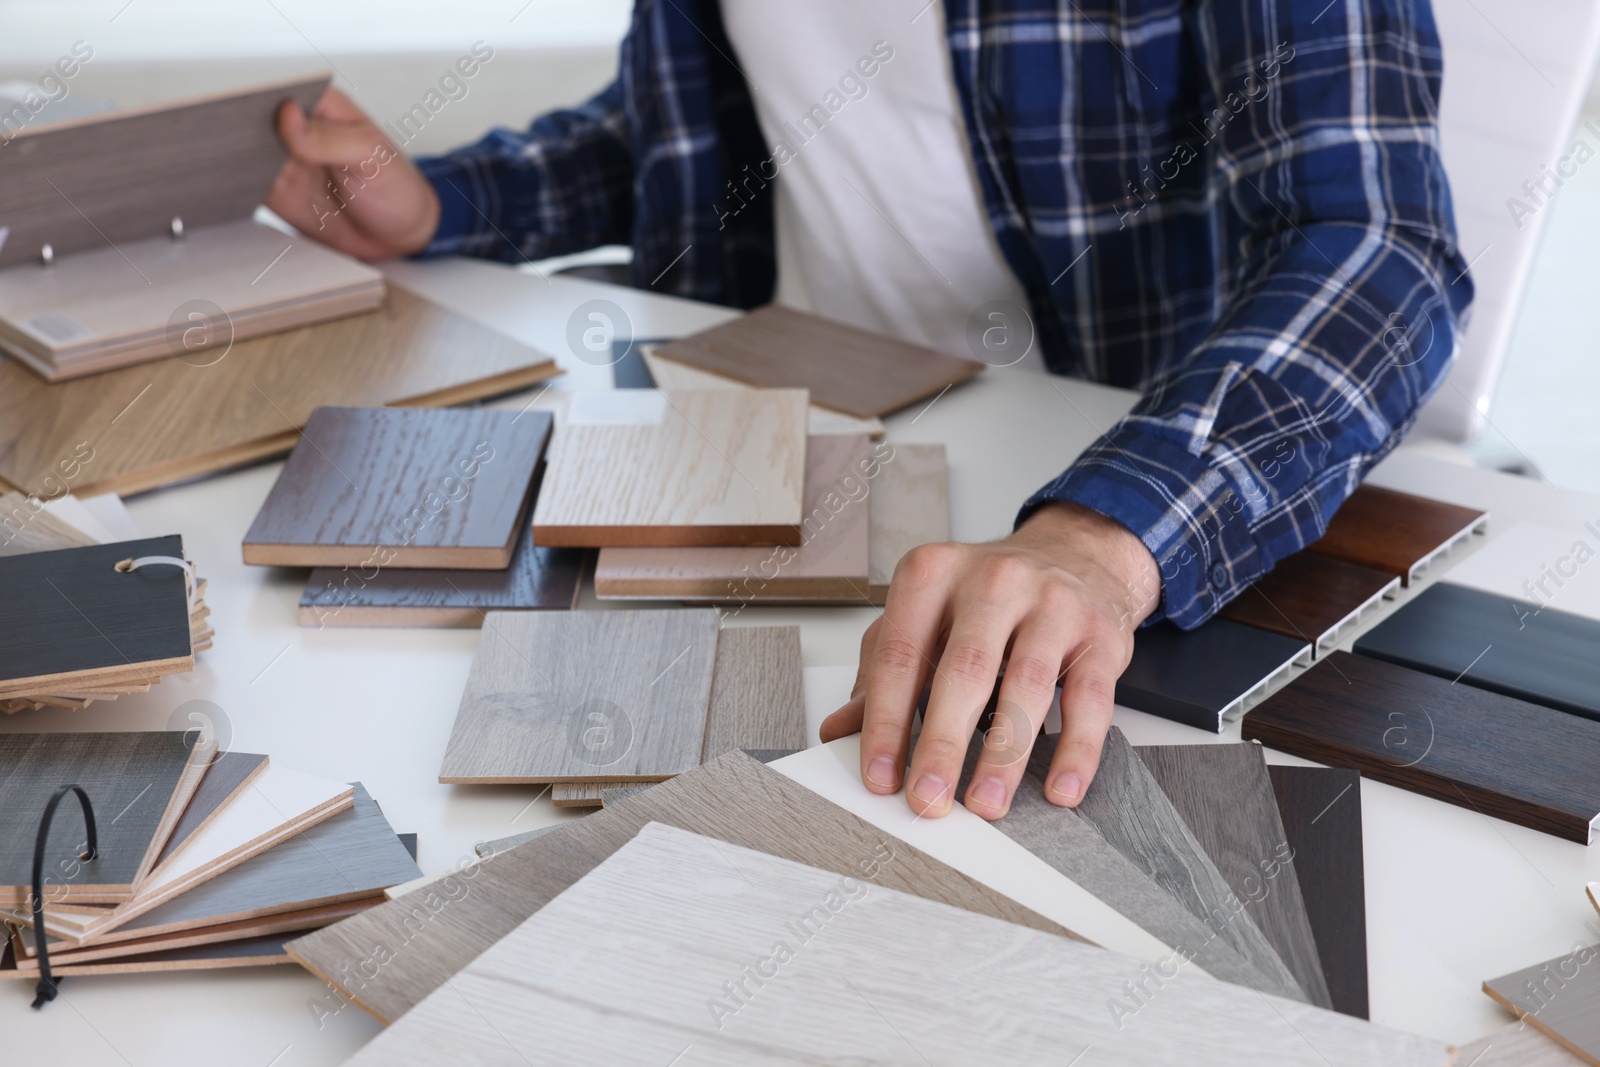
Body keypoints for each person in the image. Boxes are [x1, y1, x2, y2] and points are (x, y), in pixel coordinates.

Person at [267, 0, 1470, 823]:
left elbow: (1378, 242)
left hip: (1139, 476)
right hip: (776, 422)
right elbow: (699, 122)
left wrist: (1106, 534)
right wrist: (446, 204)